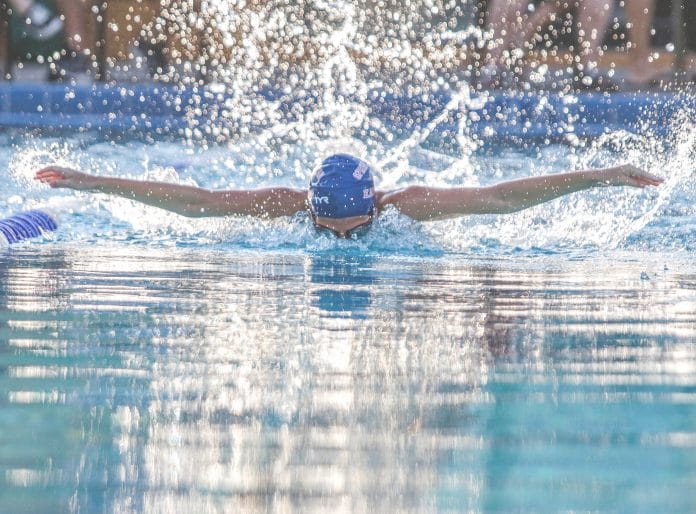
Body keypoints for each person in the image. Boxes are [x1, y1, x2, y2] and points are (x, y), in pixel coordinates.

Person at [34, 154, 663, 239]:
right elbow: (197, 201)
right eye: (330, 227)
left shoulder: (406, 206)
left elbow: (500, 200)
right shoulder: (287, 205)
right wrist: (92, 182)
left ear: (375, 205)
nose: (343, 240)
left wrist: (600, 176)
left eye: (356, 227)